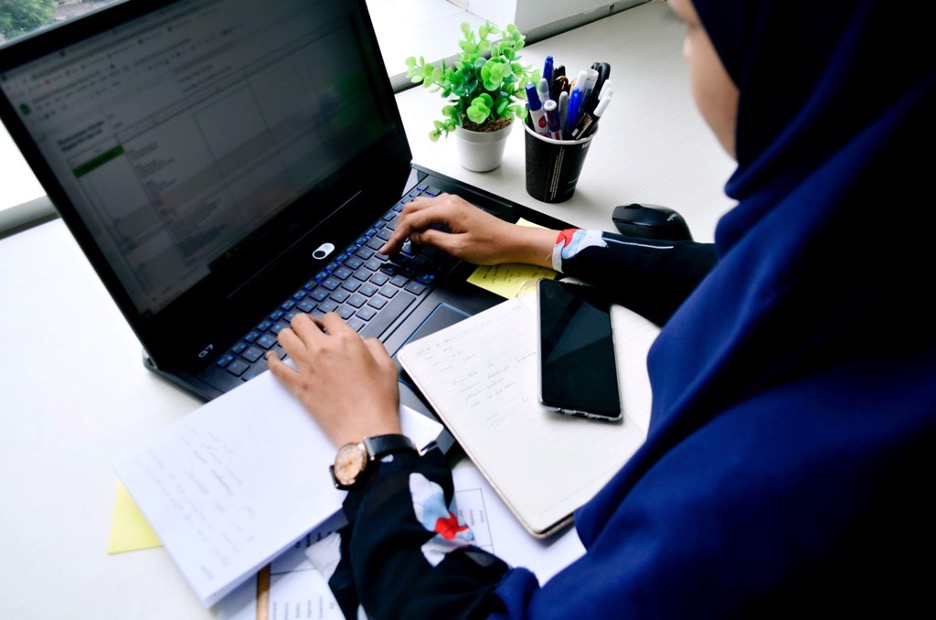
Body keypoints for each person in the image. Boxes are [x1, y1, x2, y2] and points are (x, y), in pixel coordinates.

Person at [267, 0, 936, 616]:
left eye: (690, 26)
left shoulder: (769, 491)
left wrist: (374, 444)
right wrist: (536, 241)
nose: (683, 55)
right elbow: (736, 276)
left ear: (794, 57)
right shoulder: (870, 240)